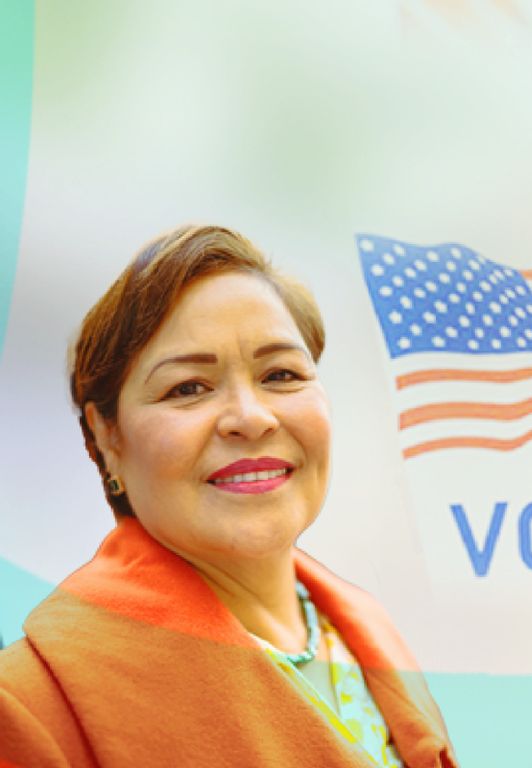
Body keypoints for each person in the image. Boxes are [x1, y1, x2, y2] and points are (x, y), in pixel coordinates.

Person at [0, 226, 457, 767]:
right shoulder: (32, 705)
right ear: (107, 436)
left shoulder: (366, 634)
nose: (252, 418)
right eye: (187, 388)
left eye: (281, 374)